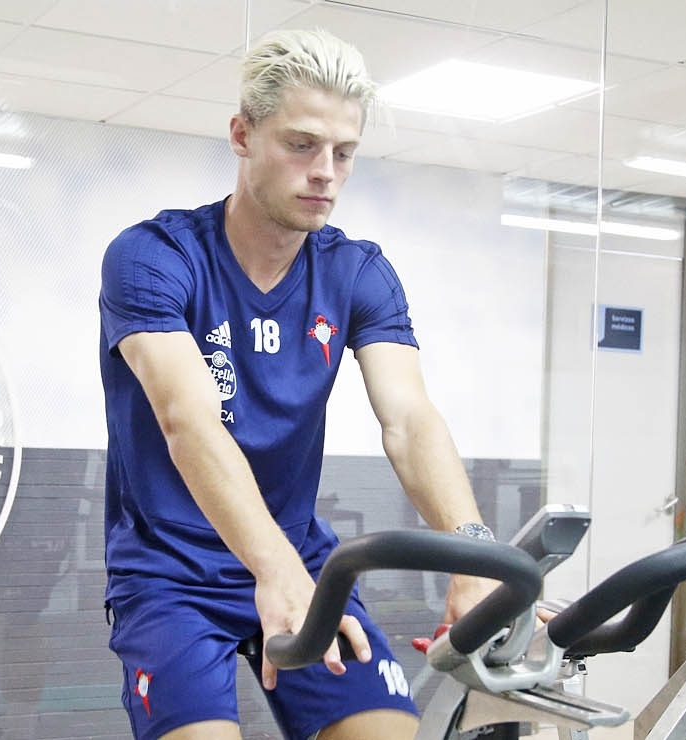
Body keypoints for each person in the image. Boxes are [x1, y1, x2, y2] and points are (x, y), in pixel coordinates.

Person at [97, 28, 496, 740]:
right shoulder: (154, 257)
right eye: (302, 145)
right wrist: (273, 569)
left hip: (301, 558)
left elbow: (409, 419)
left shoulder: (356, 272)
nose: (325, 173)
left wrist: (474, 556)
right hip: (172, 572)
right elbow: (188, 420)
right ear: (242, 135)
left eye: (343, 153)